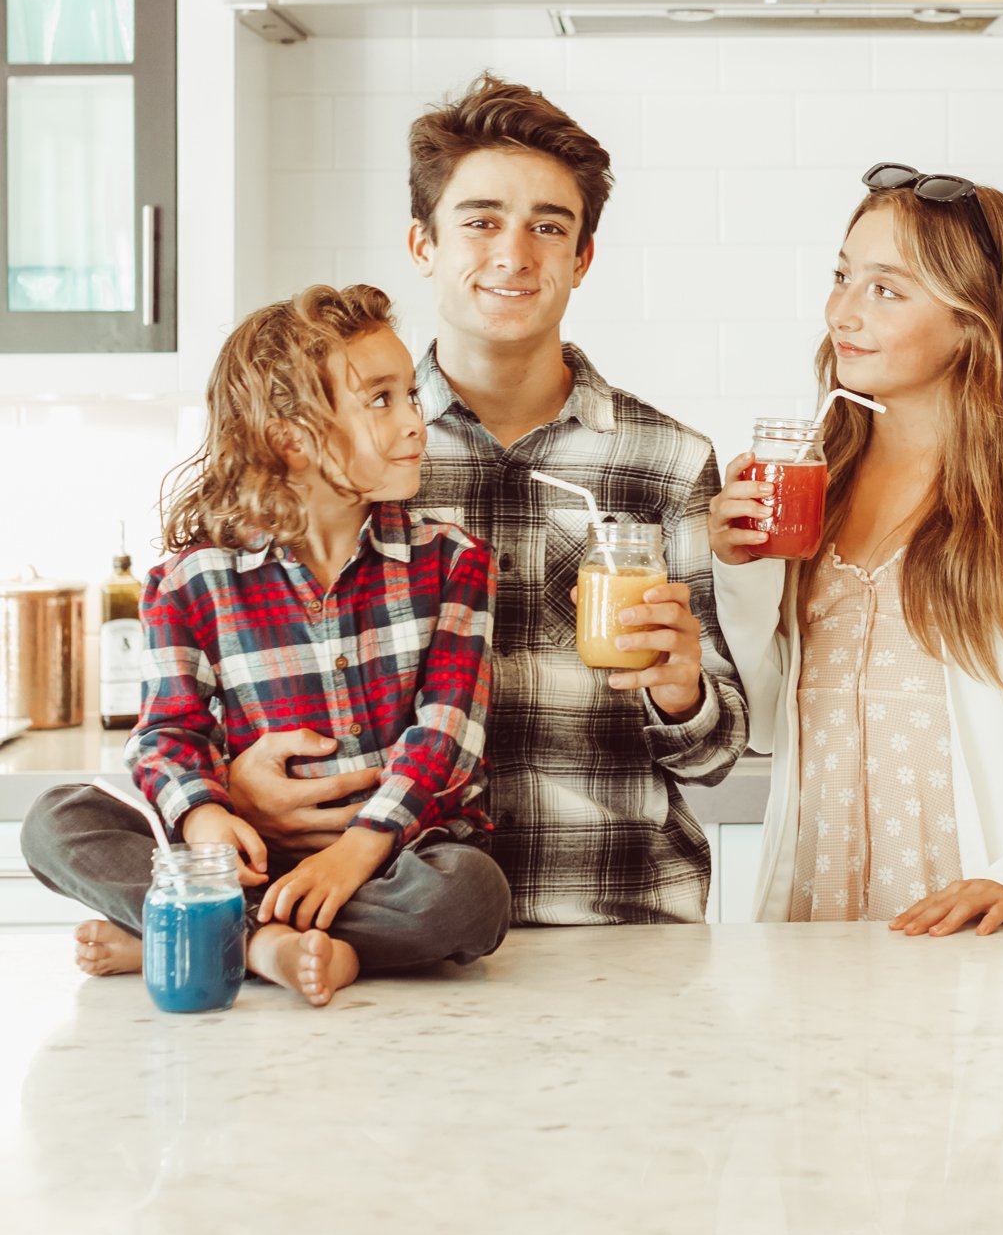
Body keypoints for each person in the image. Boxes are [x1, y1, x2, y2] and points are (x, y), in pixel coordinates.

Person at [217, 75, 748, 926]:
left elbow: (716, 755)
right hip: (382, 921)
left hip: (616, 924)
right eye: (481, 221)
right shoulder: (342, 455)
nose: (514, 253)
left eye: (549, 227)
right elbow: (233, 662)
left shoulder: (667, 462)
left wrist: (681, 690)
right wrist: (234, 780)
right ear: (423, 244)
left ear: (582, 259)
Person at [709, 162, 1003, 931]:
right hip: (822, 898)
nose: (841, 313)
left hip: (982, 899)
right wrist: (742, 572)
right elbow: (764, 718)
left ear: (973, 318)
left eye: (885, 289)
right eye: (841, 276)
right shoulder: (816, 471)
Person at [21, 284, 508, 1007]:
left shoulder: (454, 561)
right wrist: (205, 817)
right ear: (291, 438)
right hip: (244, 859)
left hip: (396, 854)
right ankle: (260, 940)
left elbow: (446, 736)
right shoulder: (189, 582)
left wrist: (355, 851)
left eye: (410, 394)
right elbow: (168, 735)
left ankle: (187, 935)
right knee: (55, 821)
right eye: (381, 399)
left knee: (472, 895)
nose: (416, 420)